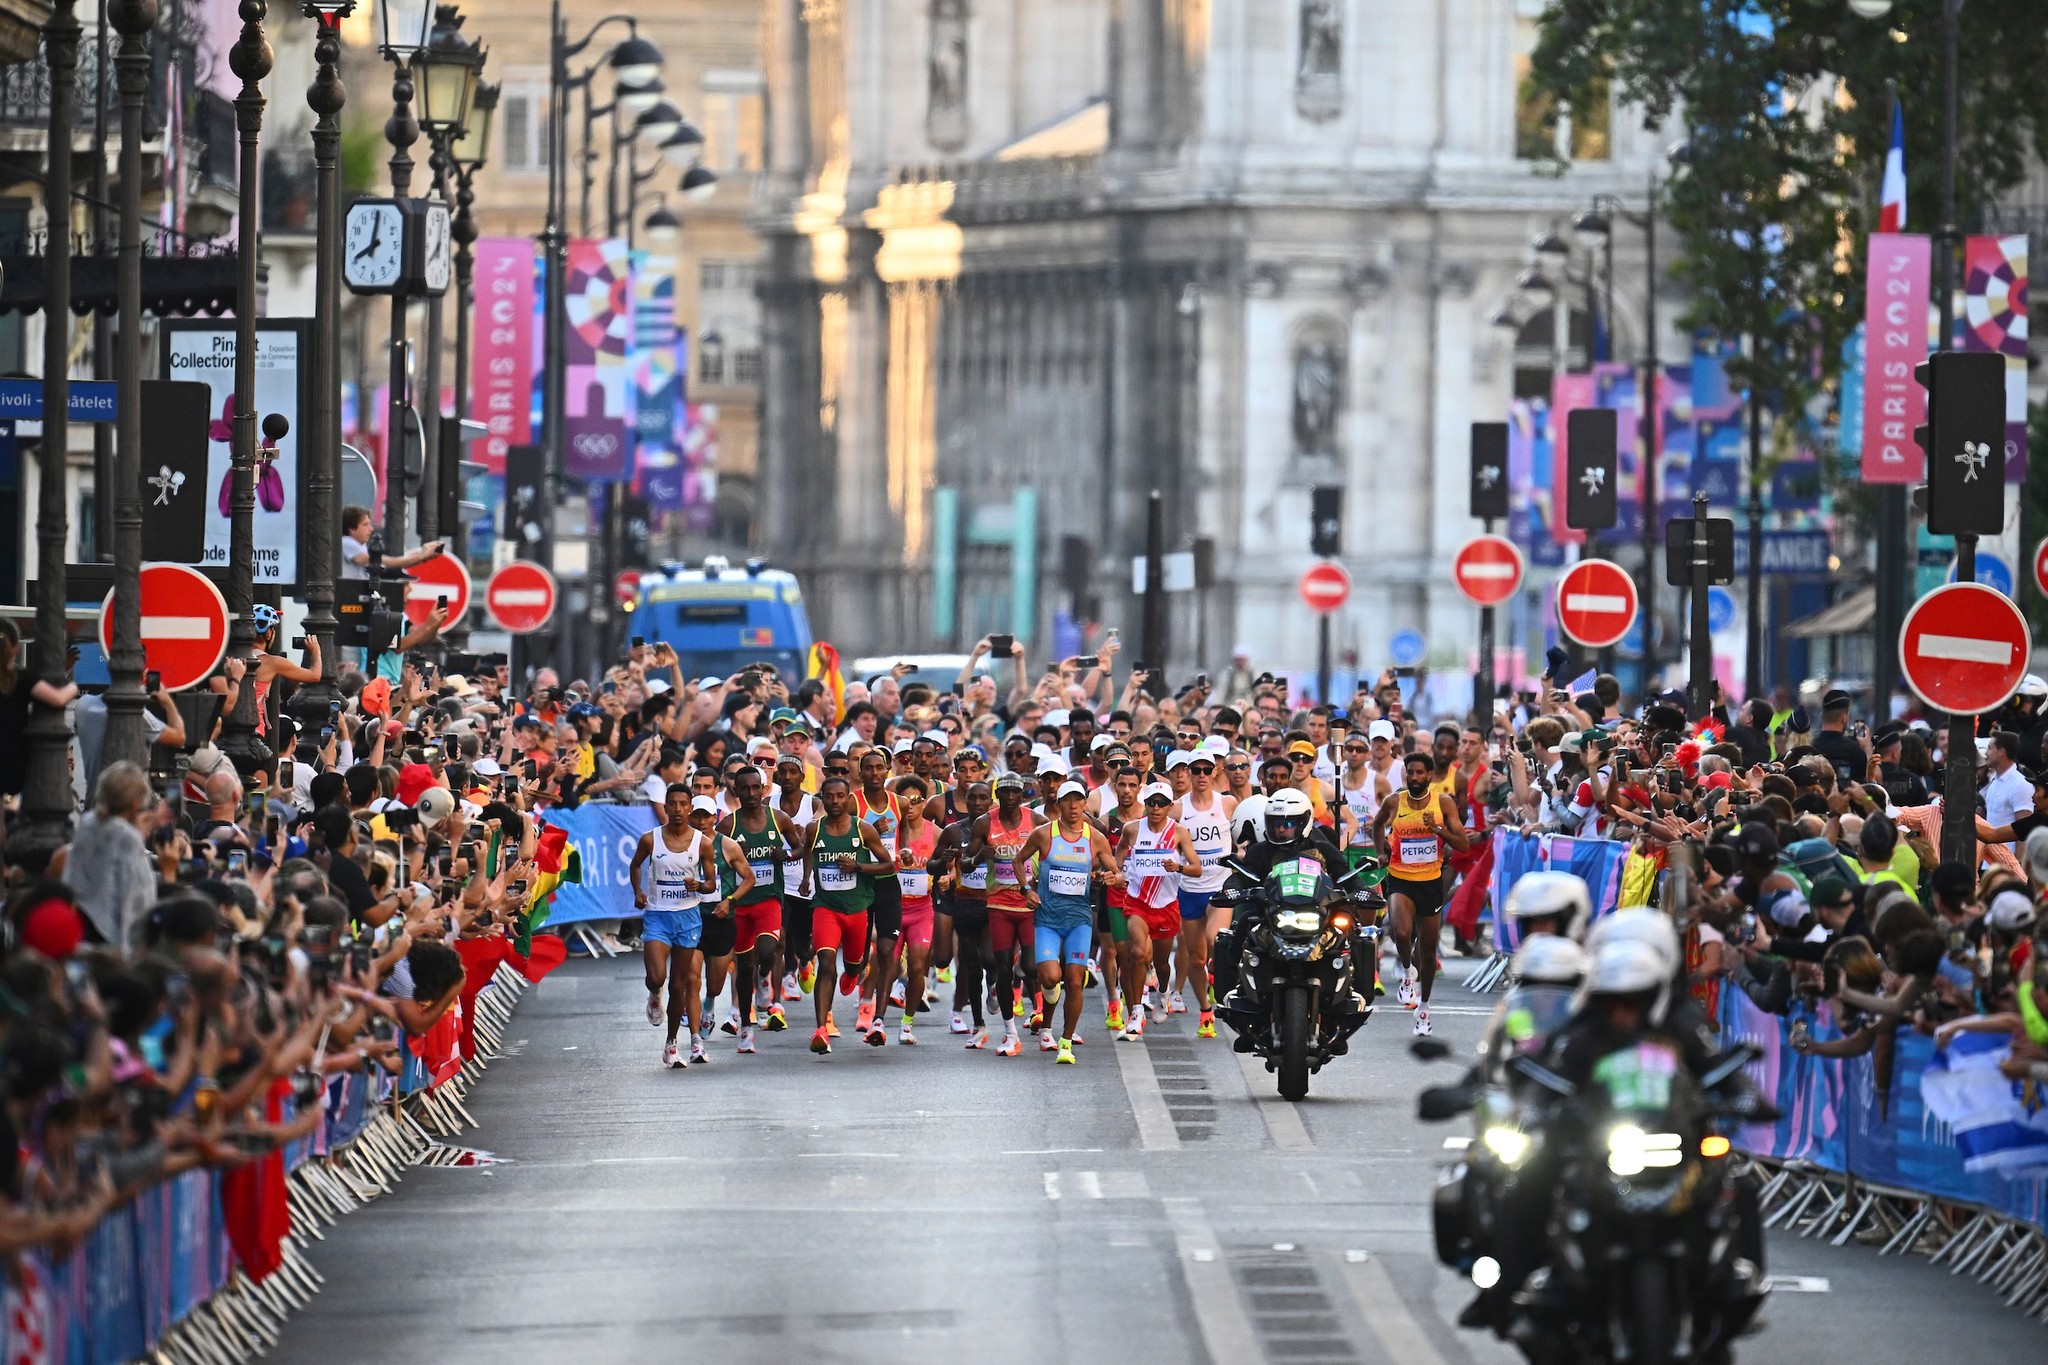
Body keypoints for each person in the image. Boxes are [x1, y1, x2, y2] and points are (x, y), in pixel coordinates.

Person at [1015, 780, 1126, 1062]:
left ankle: (1065, 1041)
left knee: (1075, 980)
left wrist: (1110, 878)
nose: (1074, 806)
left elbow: (1117, 875)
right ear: (1059, 804)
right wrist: (1025, 889)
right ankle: (1048, 1022)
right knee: (1051, 977)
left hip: (1079, 919)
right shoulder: (1044, 834)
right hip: (1048, 919)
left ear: (1085, 803)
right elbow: (1019, 861)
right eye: (1068, 800)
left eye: (1079, 800)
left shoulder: (1095, 838)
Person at [1372, 749, 1471, 1036]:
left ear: (1429, 776)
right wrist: (1381, 852)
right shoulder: (1395, 801)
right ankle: (1406, 973)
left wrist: (1438, 829)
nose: (1414, 777)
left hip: (1430, 881)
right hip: (1399, 878)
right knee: (1401, 932)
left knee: (1427, 952)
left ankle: (1424, 1008)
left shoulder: (1444, 803)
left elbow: (1463, 844)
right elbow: (1378, 825)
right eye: (1410, 772)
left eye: (1419, 773)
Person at [797, 775, 893, 1055]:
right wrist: (806, 879)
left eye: (841, 796)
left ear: (849, 799)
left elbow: (888, 865)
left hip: (857, 909)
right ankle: (820, 1030)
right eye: (830, 796)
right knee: (826, 961)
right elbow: (807, 851)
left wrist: (859, 868)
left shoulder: (863, 830)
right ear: (823, 798)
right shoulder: (815, 829)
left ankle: (853, 973)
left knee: (855, 964)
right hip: (825, 907)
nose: (835, 802)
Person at [628, 784, 721, 1067]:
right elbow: (635, 866)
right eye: (673, 804)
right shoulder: (650, 839)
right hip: (658, 916)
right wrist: (638, 892)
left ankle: (671, 1044)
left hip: (687, 917)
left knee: (679, 985)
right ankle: (654, 992)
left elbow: (711, 883)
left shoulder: (702, 844)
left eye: (684, 804)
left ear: (690, 808)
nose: (678, 809)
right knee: (658, 977)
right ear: (666, 807)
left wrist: (699, 885)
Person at [718, 765, 799, 1052]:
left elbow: (800, 848)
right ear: (736, 791)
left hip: (769, 900)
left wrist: (786, 854)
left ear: (764, 790)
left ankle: (766, 978)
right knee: (743, 966)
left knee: (767, 951)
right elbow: (716, 860)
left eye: (756, 788)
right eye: (745, 789)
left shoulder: (779, 819)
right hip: (740, 905)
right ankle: (746, 1029)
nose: (751, 793)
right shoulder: (728, 825)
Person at [1114, 780, 1202, 1038]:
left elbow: (1197, 868)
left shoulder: (1179, 833)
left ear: (1169, 806)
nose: (1155, 808)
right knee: (1138, 953)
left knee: (1162, 964)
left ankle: (1164, 991)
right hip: (1137, 903)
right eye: (1151, 802)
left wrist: (1179, 868)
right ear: (1145, 804)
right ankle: (1136, 1012)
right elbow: (1119, 850)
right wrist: (1118, 871)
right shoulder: (1132, 829)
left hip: (1166, 906)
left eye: (1161, 803)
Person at [964, 774, 1042, 1056]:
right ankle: (1010, 1032)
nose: (1010, 797)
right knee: (1002, 970)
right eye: (1005, 792)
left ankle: (1023, 969)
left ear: (1022, 795)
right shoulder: (985, 822)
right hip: (998, 905)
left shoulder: (1035, 820)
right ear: (998, 794)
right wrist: (976, 857)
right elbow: (965, 864)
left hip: (1028, 904)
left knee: (1033, 968)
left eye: (1015, 792)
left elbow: (1051, 850)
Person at [1175, 746, 1236, 1038]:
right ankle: (1205, 1010)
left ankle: (1221, 976)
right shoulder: (1178, 808)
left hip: (1220, 885)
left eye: (1206, 770)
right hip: (1189, 889)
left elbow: (1243, 836)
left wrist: (1244, 853)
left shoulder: (1227, 804)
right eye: (1195, 770)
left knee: (1215, 938)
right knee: (1195, 958)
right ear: (1187, 773)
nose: (1201, 775)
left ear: (1215, 772)